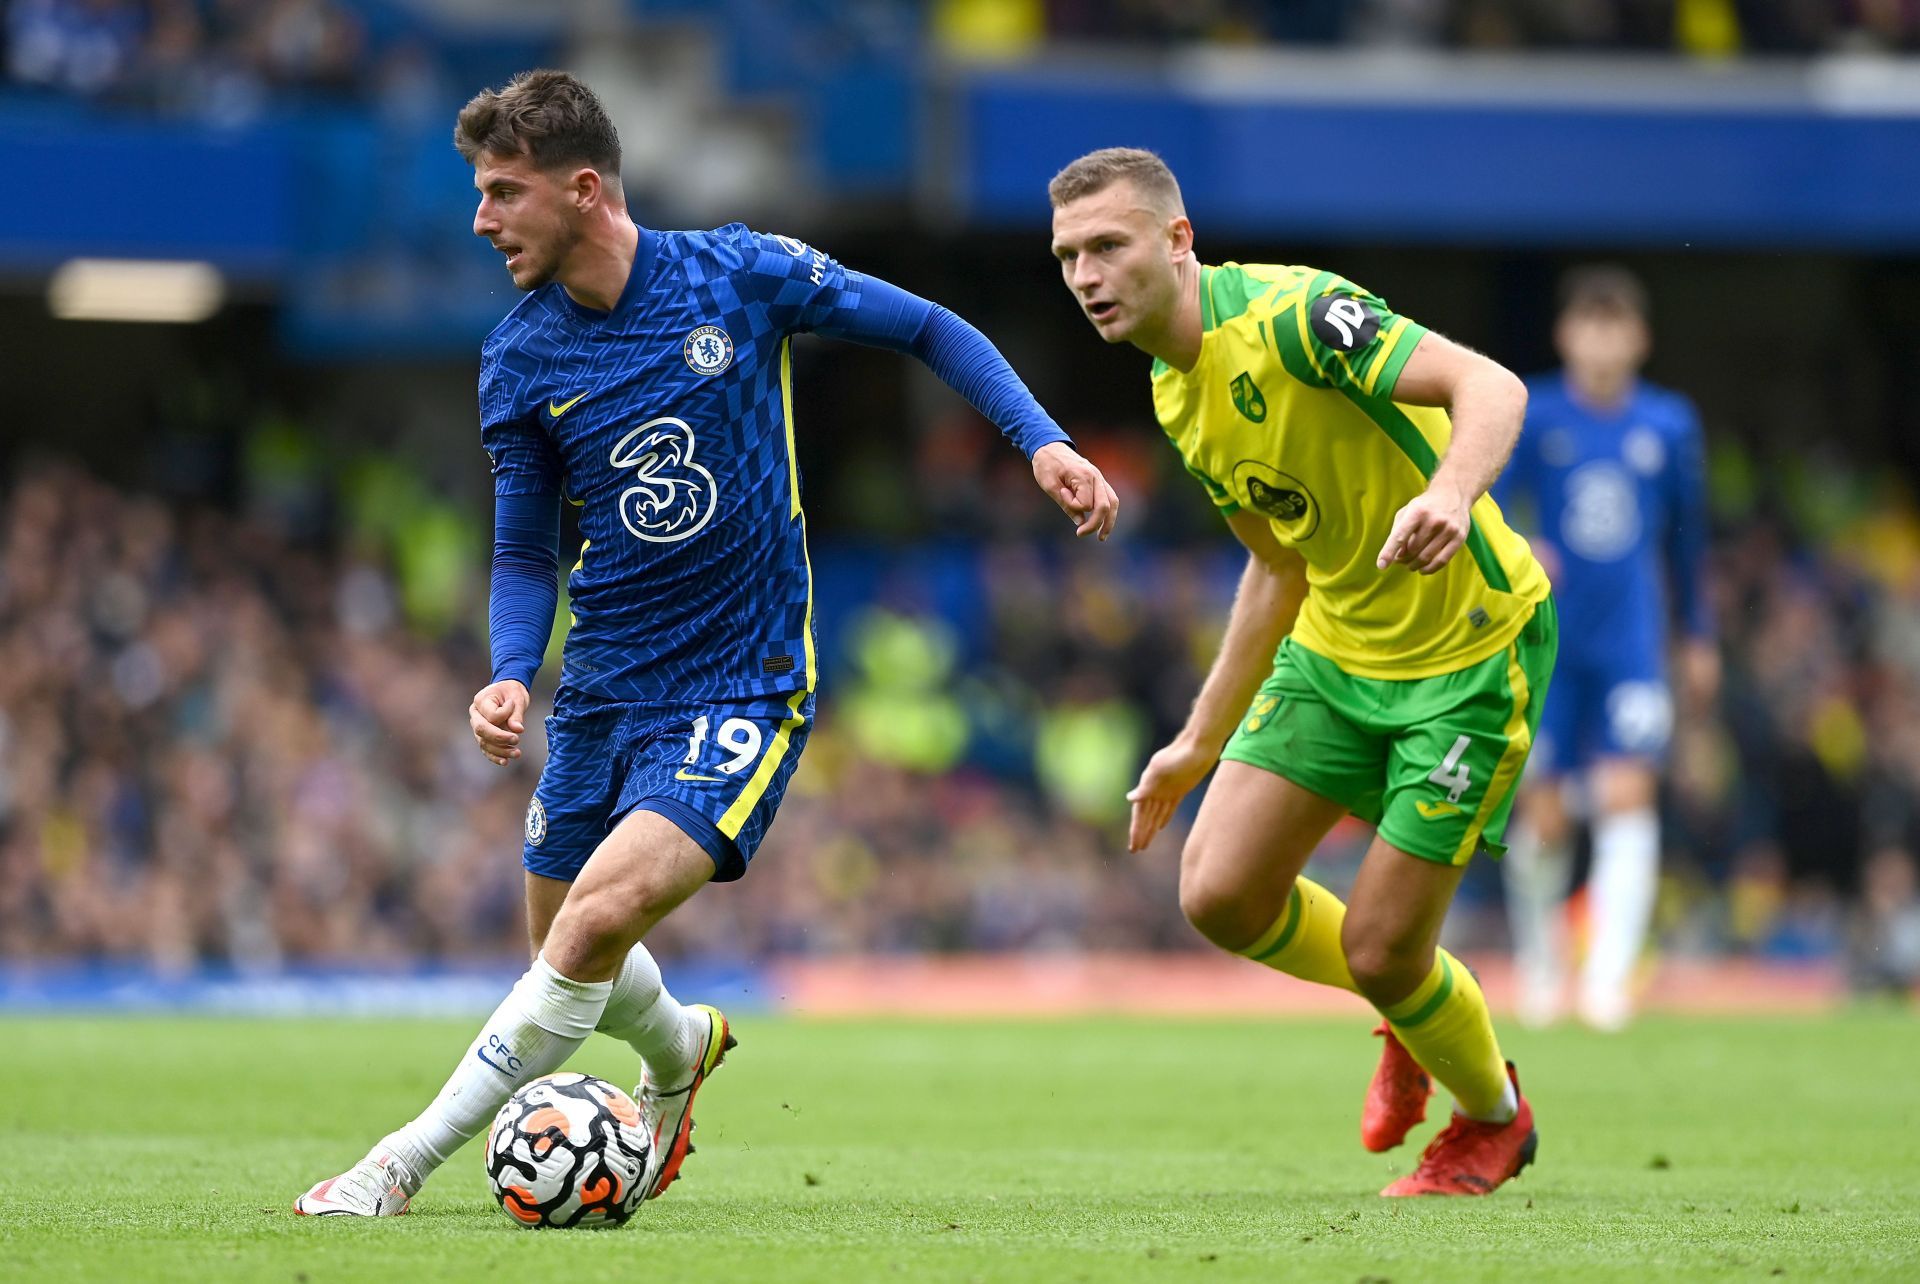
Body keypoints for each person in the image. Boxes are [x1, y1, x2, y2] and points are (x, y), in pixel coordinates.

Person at [295, 69, 1118, 1217]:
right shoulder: (518, 359)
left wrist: (1038, 440)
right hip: (599, 696)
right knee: (568, 949)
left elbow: (925, 325)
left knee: (584, 928)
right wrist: (507, 672)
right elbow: (527, 551)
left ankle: (396, 1164)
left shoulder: (741, 273)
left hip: (740, 680)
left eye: (500, 193)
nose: (481, 220)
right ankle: (681, 1052)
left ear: (583, 191)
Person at [1048, 148, 1554, 1197]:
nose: (1086, 275)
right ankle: (1411, 1009)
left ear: (1178, 242)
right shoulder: (1173, 391)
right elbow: (1278, 564)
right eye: (1066, 256)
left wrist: (1454, 495)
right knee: (1220, 894)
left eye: (1108, 245)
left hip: (1470, 653)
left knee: (1382, 949)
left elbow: (1489, 385)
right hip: (1337, 649)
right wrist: (1197, 741)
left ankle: (1494, 1120)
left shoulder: (1294, 317)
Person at [1494, 267, 1715, 1031]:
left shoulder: (1669, 424)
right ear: (1566, 334)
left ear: (1639, 338)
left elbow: (1690, 543)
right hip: (1551, 639)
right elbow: (1491, 504)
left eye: (1616, 325)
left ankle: (1609, 982)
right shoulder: (1537, 411)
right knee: (1544, 814)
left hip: (1631, 642)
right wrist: (1521, 545)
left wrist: (1700, 636)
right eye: (1590, 324)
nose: (1602, 340)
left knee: (1627, 797)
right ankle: (1541, 967)